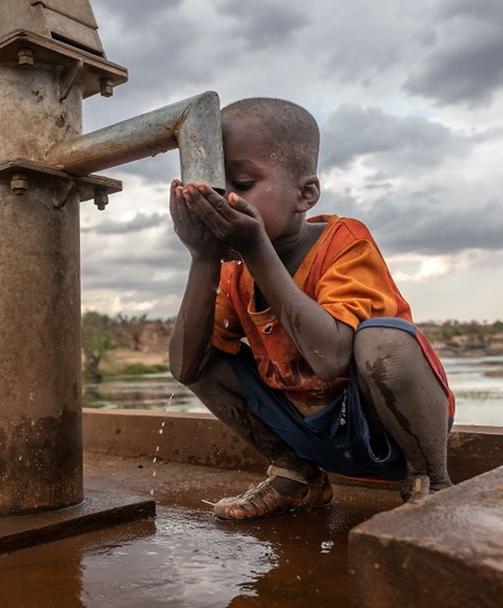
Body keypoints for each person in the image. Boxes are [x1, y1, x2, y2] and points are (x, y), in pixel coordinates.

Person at [168, 98, 455, 520]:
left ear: (306, 194)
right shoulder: (232, 271)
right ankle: (296, 474)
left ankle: (432, 482)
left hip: (384, 429)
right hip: (309, 430)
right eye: (212, 187)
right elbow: (185, 368)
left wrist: (254, 247)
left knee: (383, 339)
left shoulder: (344, 242)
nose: (225, 200)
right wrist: (203, 257)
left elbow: (332, 358)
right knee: (205, 356)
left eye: (242, 184)